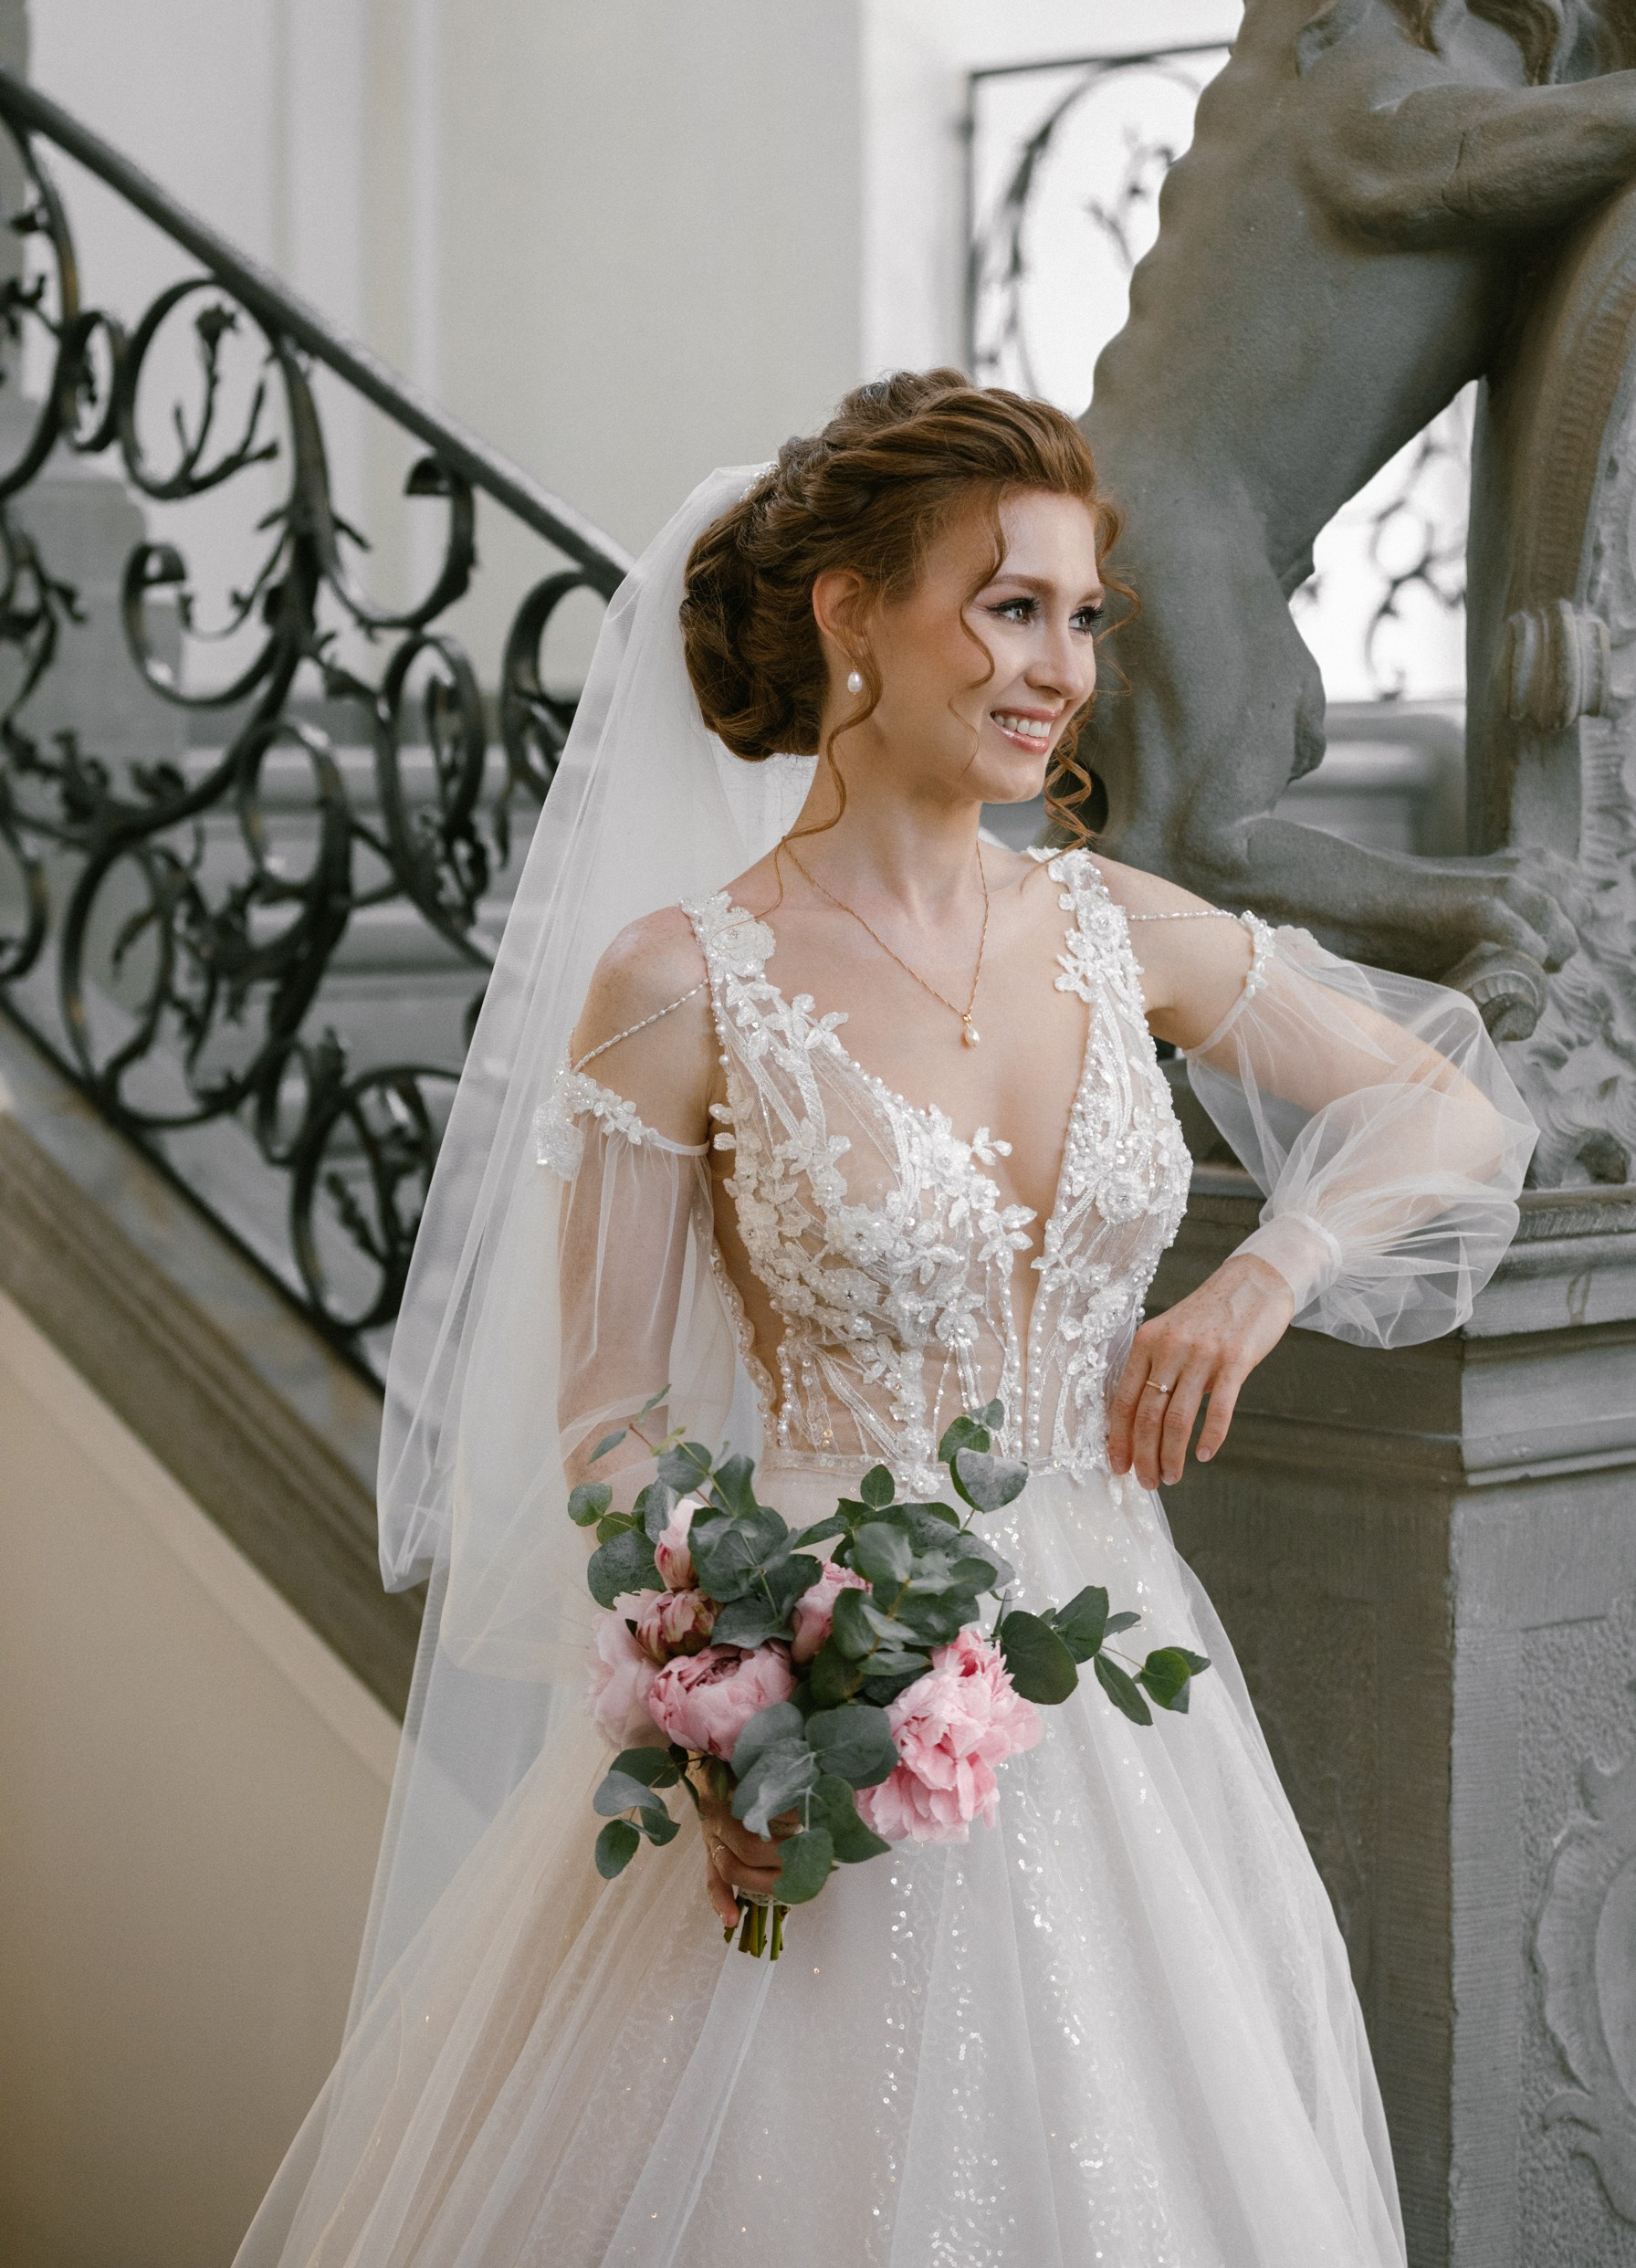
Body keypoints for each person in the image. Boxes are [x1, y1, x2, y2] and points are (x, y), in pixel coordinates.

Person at [236, 372, 1534, 2267]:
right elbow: (605, 1421)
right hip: (822, 1692)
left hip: (1113, 1692)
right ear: (850, 612)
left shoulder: (1120, 930)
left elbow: (1449, 1106)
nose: (1060, 667)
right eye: (1009, 607)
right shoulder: (678, 980)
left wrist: (1259, 1284)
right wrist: (720, 1701)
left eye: (1081, 618)